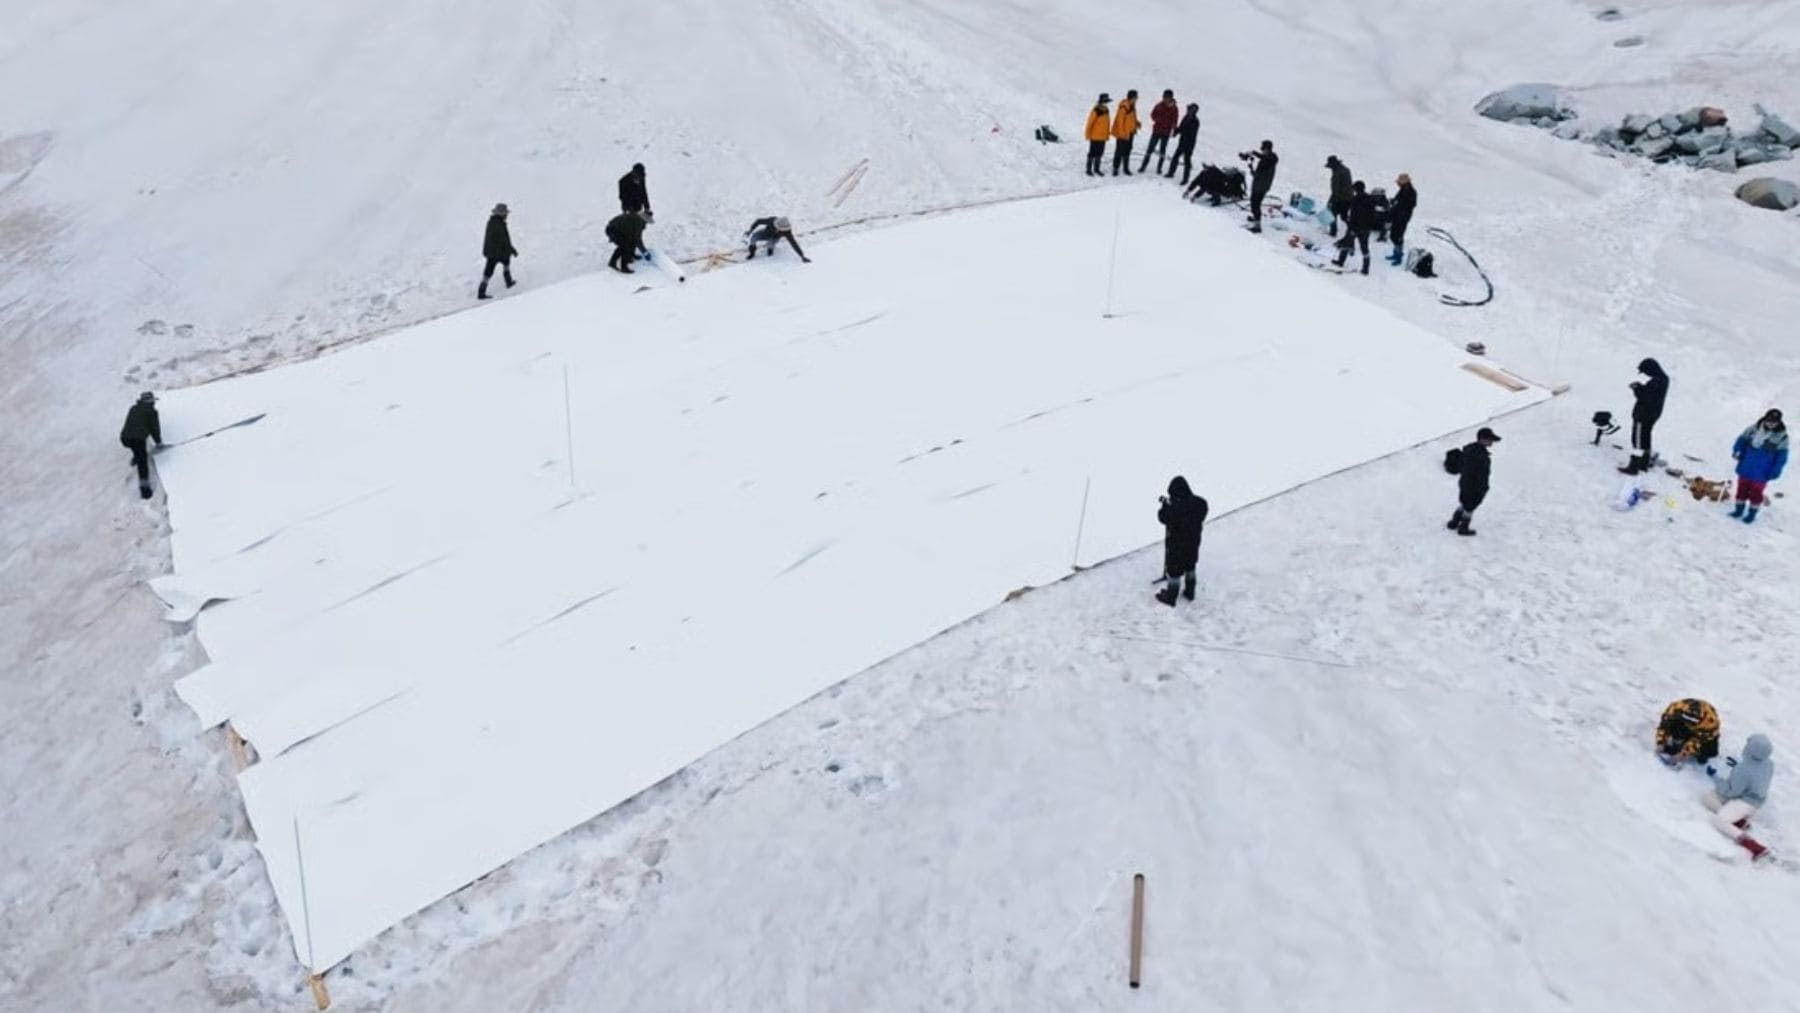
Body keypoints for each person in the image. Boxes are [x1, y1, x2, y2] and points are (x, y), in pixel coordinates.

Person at [1703, 734, 1774, 860]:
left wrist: (1714, 777)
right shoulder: (1768, 763)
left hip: (1744, 802)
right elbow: (1754, 774)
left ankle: (1754, 847)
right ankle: (1739, 821)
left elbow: (1730, 792)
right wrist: (1736, 767)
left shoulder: (1744, 769)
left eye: (1748, 745)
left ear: (1752, 750)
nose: (1745, 746)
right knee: (1708, 798)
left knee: (1718, 820)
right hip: (1757, 800)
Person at [1156, 476, 1208, 606]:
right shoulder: (1199, 503)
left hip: (1176, 546)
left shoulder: (1174, 509)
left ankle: (1171, 597)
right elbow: (1201, 509)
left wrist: (1165, 507)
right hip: (1193, 544)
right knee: (1190, 566)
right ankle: (1190, 592)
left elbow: (1162, 517)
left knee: (1174, 571)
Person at [1729, 408, 1787, 523]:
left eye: (1774, 422)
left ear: (1779, 422)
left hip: (1762, 472)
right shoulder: (1753, 429)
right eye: (1769, 420)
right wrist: (1737, 450)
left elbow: (1782, 457)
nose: (1771, 424)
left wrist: (1776, 470)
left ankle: (1751, 514)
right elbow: (1741, 441)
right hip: (1746, 466)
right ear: (1765, 419)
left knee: (1756, 494)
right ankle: (1738, 510)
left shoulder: (1782, 438)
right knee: (1741, 490)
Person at [1620, 358, 1669, 474]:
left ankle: (1634, 467)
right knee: (1645, 438)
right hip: (1653, 414)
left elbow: (1645, 397)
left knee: (1637, 441)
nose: (1646, 374)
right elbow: (1650, 394)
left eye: (1645, 372)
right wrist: (1641, 387)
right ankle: (1644, 463)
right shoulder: (1664, 379)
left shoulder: (1655, 382)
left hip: (1643, 415)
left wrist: (1636, 388)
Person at [1447, 427, 1500, 536]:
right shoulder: (1482, 457)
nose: (1492, 442)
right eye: (1490, 439)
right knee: (1470, 506)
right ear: (1482, 439)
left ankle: (1454, 522)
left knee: (1464, 503)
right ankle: (1463, 527)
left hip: (1464, 483)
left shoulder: (1469, 450)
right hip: (1474, 486)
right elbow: (1482, 476)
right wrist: (1483, 489)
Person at [119, 391, 162, 499]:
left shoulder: (133, 408)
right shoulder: (152, 412)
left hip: (124, 438)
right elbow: (154, 429)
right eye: (153, 401)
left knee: (138, 451)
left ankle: (136, 458)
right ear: (150, 401)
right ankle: (145, 491)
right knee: (143, 465)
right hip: (137, 439)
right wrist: (158, 443)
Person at [1656, 698, 1721, 766]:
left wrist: (1682, 755)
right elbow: (1664, 726)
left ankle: (1698, 753)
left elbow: (1699, 740)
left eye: (1692, 723)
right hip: (1682, 722)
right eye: (1687, 721)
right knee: (1677, 729)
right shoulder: (1676, 708)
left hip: (1704, 732)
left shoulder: (1711, 722)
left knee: (1710, 752)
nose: (1689, 724)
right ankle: (1678, 739)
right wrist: (1660, 742)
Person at [1332, 180, 1376, 275]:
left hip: (1355, 227)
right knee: (1364, 247)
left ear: (1356, 189)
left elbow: (1355, 215)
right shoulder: (1370, 199)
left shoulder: (1356, 199)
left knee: (1347, 243)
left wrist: (1351, 225)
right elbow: (1372, 215)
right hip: (1366, 229)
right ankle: (1366, 268)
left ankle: (1341, 261)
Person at [478, 203, 517, 300]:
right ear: (501, 214)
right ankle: (508, 282)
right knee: (504, 264)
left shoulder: (492, 222)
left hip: (492, 252)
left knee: (488, 272)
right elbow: (504, 240)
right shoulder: (499, 224)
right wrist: (511, 250)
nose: (507, 215)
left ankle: (481, 291)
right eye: (505, 213)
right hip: (498, 252)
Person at [1139, 90, 1178, 175]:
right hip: (1156, 131)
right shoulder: (1159, 105)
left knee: (1162, 151)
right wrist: (1157, 119)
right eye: (1164, 97)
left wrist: (1174, 130)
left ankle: (1159, 168)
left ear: (1171, 98)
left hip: (1166, 132)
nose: (1165, 99)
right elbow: (1152, 114)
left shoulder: (1174, 108)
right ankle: (1143, 166)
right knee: (1150, 149)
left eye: (1167, 97)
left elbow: (1175, 120)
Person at [1244, 140, 1278, 233]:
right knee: (1256, 203)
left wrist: (1250, 166)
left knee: (1255, 204)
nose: (1262, 150)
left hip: (1260, 186)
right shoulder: (1272, 157)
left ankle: (1257, 226)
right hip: (1264, 185)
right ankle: (1255, 218)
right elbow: (1264, 157)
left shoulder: (1265, 162)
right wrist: (1254, 153)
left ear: (1267, 149)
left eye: (1263, 148)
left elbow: (1256, 175)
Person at [745, 216, 810, 262]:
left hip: (774, 238)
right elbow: (758, 221)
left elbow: (793, 242)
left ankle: (770, 250)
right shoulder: (772, 220)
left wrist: (802, 256)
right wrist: (750, 230)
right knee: (753, 238)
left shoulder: (787, 232)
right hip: (765, 233)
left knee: (770, 244)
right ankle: (752, 253)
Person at [1165, 102, 1200, 183]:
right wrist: (1176, 131)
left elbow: (1190, 132)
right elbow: (1181, 128)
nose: (1187, 110)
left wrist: (1179, 131)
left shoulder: (1196, 121)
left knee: (1187, 160)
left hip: (1189, 144)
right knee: (1175, 157)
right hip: (1182, 142)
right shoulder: (1186, 117)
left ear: (1193, 111)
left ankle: (1185, 179)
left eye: (1189, 109)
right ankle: (1171, 173)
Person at [1386, 174, 1417, 265]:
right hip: (1397, 216)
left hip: (1402, 218)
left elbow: (1409, 205)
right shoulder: (1403, 190)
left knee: (1398, 236)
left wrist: (1399, 207)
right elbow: (1397, 200)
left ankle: (1398, 256)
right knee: (1394, 235)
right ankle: (1396, 253)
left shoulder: (1411, 192)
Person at [1111, 90, 1140, 176]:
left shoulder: (1132, 106)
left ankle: (1126, 168)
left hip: (1130, 133)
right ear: (1132, 98)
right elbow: (1120, 121)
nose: (1137, 99)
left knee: (1127, 150)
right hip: (1123, 134)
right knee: (1119, 151)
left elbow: (1132, 118)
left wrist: (1136, 123)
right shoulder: (1124, 107)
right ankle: (1115, 168)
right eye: (1136, 97)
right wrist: (1122, 133)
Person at [1324, 156, 1354, 237]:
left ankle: (1333, 231)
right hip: (1349, 198)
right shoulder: (1346, 170)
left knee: (1332, 214)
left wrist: (1331, 200)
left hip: (1339, 198)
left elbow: (1335, 189)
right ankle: (1352, 229)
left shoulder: (1337, 173)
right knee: (1344, 216)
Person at [1084, 94, 1112, 176]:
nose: (1107, 103)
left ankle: (1097, 169)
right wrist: (1088, 134)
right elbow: (1089, 123)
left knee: (1100, 153)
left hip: (1103, 137)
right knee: (1092, 152)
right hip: (1095, 136)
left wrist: (1107, 135)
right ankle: (1088, 169)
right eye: (1105, 102)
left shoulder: (1106, 110)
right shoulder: (1096, 110)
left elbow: (1107, 124)